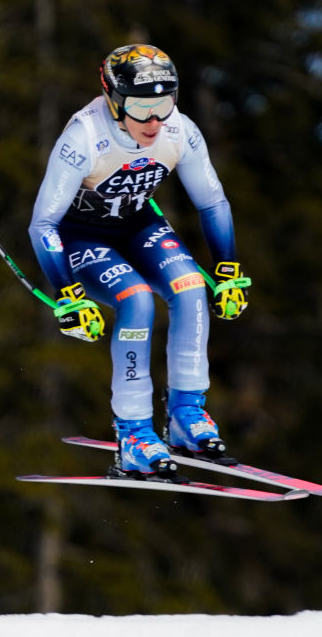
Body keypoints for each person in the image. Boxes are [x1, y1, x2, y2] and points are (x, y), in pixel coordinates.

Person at [28, 44, 250, 480]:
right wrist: (66, 295)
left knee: (191, 287)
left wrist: (228, 268)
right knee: (137, 300)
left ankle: (186, 416)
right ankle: (132, 435)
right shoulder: (84, 136)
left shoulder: (178, 130)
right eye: (140, 106)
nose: (153, 120)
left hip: (136, 225)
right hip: (79, 236)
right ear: (113, 98)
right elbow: (42, 225)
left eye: (164, 103)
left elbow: (212, 202)